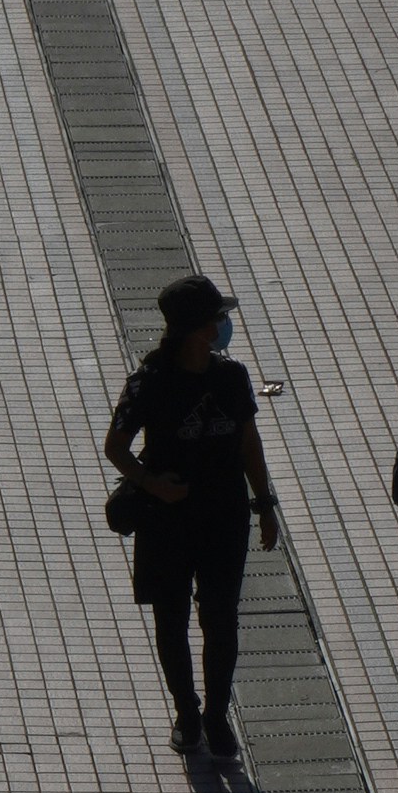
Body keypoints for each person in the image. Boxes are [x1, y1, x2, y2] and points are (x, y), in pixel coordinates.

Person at [102, 272, 281, 763]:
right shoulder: (150, 382)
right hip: (167, 519)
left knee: (221, 619)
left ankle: (218, 716)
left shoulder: (231, 376)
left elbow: (248, 442)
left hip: (224, 516)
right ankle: (186, 711)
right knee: (172, 618)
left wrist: (265, 504)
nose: (224, 325)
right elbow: (116, 447)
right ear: (198, 328)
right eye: (218, 317)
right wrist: (151, 483)